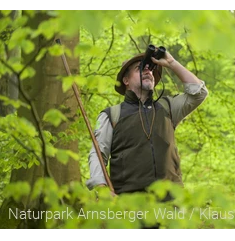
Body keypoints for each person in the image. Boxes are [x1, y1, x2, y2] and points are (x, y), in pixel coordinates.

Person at [85, 46, 209, 199]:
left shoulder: (167, 108)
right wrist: (101, 187)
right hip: (129, 206)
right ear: (126, 80)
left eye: (150, 70)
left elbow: (199, 92)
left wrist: (171, 62)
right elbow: (98, 153)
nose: (148, 72)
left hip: (172, 204)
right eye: (140, 68)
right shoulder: (111, 115)